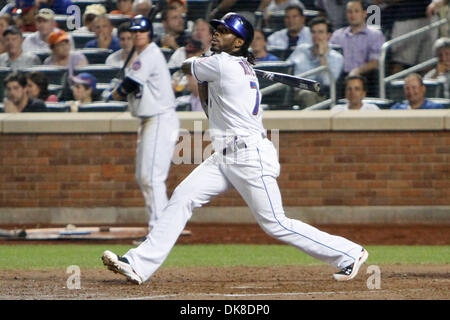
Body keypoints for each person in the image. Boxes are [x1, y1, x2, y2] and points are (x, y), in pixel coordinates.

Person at [101, 12, 368, 285]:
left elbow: (185, 66)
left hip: (249, 156)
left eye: (224, 31)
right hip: (225, 156)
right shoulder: (230, 65)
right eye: (216, 29)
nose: (216, 33)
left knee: (275, 223)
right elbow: (207, 104)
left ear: (239, 42)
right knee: (183, 196)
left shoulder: (223, 65)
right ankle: (137, 264)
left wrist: (203, 57)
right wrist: (207, 61)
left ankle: (348, 253)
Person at [107, 15, 183, 239]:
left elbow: (130, 84)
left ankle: (160, 230)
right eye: (135, 31)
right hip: (149, 120)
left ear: (149, 33)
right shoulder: (141, 55)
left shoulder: (150, 54)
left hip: (160, 118)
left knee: (151, 177)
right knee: (144, 177)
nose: (138, 34)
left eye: (142, 31)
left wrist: (116, 92)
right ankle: (160, 226)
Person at [329, 0, 385, 97]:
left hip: (365, 76)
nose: (353, 15)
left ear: (364, 14)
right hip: (340, 78)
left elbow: (375, 62)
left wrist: (357, 71)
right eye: (350, 12)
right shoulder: (337, 35)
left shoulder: (375, 35)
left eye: (356, 11)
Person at [287, 16, 344, 108]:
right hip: (296, 92)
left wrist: (322, 56)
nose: (316, 36)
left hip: (322, 95)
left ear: (329, 35)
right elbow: (286, 69)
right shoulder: (301, 49)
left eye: (320, 32)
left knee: (308, 95)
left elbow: (327, 83)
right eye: (313, 32)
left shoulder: (337, 58)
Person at [373, 0, 438, 75]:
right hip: (403, 18)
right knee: (400, 64)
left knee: (427, 64)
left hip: (430, 18)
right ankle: (395, 87)